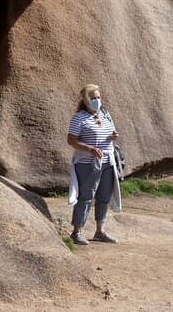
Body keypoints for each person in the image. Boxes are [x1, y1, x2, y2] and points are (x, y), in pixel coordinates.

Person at [66, 85, 121, 245]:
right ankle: (77, 232)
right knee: (85, 197)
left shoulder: (104, 113)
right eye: (93, 98)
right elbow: (71, 140)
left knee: (103, 197)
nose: (97, 100)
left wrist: (113, 136)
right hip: (87, 163)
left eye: (98, 97)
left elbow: (110, 132)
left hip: (107, 161)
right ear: (85, 100)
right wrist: (89, 148)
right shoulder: (78, 118)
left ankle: (100, 231)